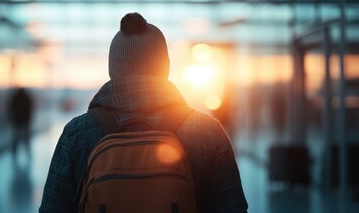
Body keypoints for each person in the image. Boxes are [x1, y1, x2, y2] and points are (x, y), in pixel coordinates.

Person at [39, 13, 248, 212]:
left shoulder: (76, 133)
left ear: (112, 69)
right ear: (165, 67)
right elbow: (233, 208)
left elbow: (52, 208)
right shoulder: (208, 132)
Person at [8, 87, 33, 160]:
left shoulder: (16, 97)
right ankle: (27, 152)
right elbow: (29, 110)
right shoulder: (26, 97)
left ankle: (14, 152)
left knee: (16, 138)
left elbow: (12, 108)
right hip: (24, 121)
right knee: (25, 139)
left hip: (18, 120)